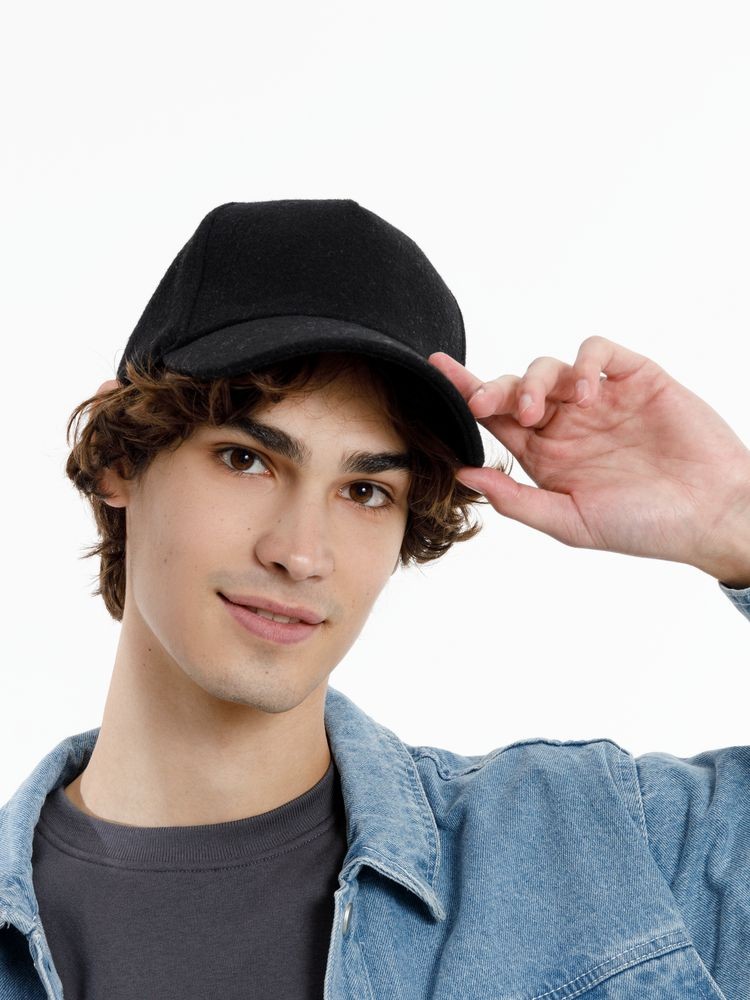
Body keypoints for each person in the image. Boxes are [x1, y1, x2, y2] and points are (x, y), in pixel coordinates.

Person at [1, 200, 748, 1000]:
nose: (300, 553)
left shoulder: (596, 849)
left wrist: (735, 520)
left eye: (365, 490)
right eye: (246, 459)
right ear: (120, 459)